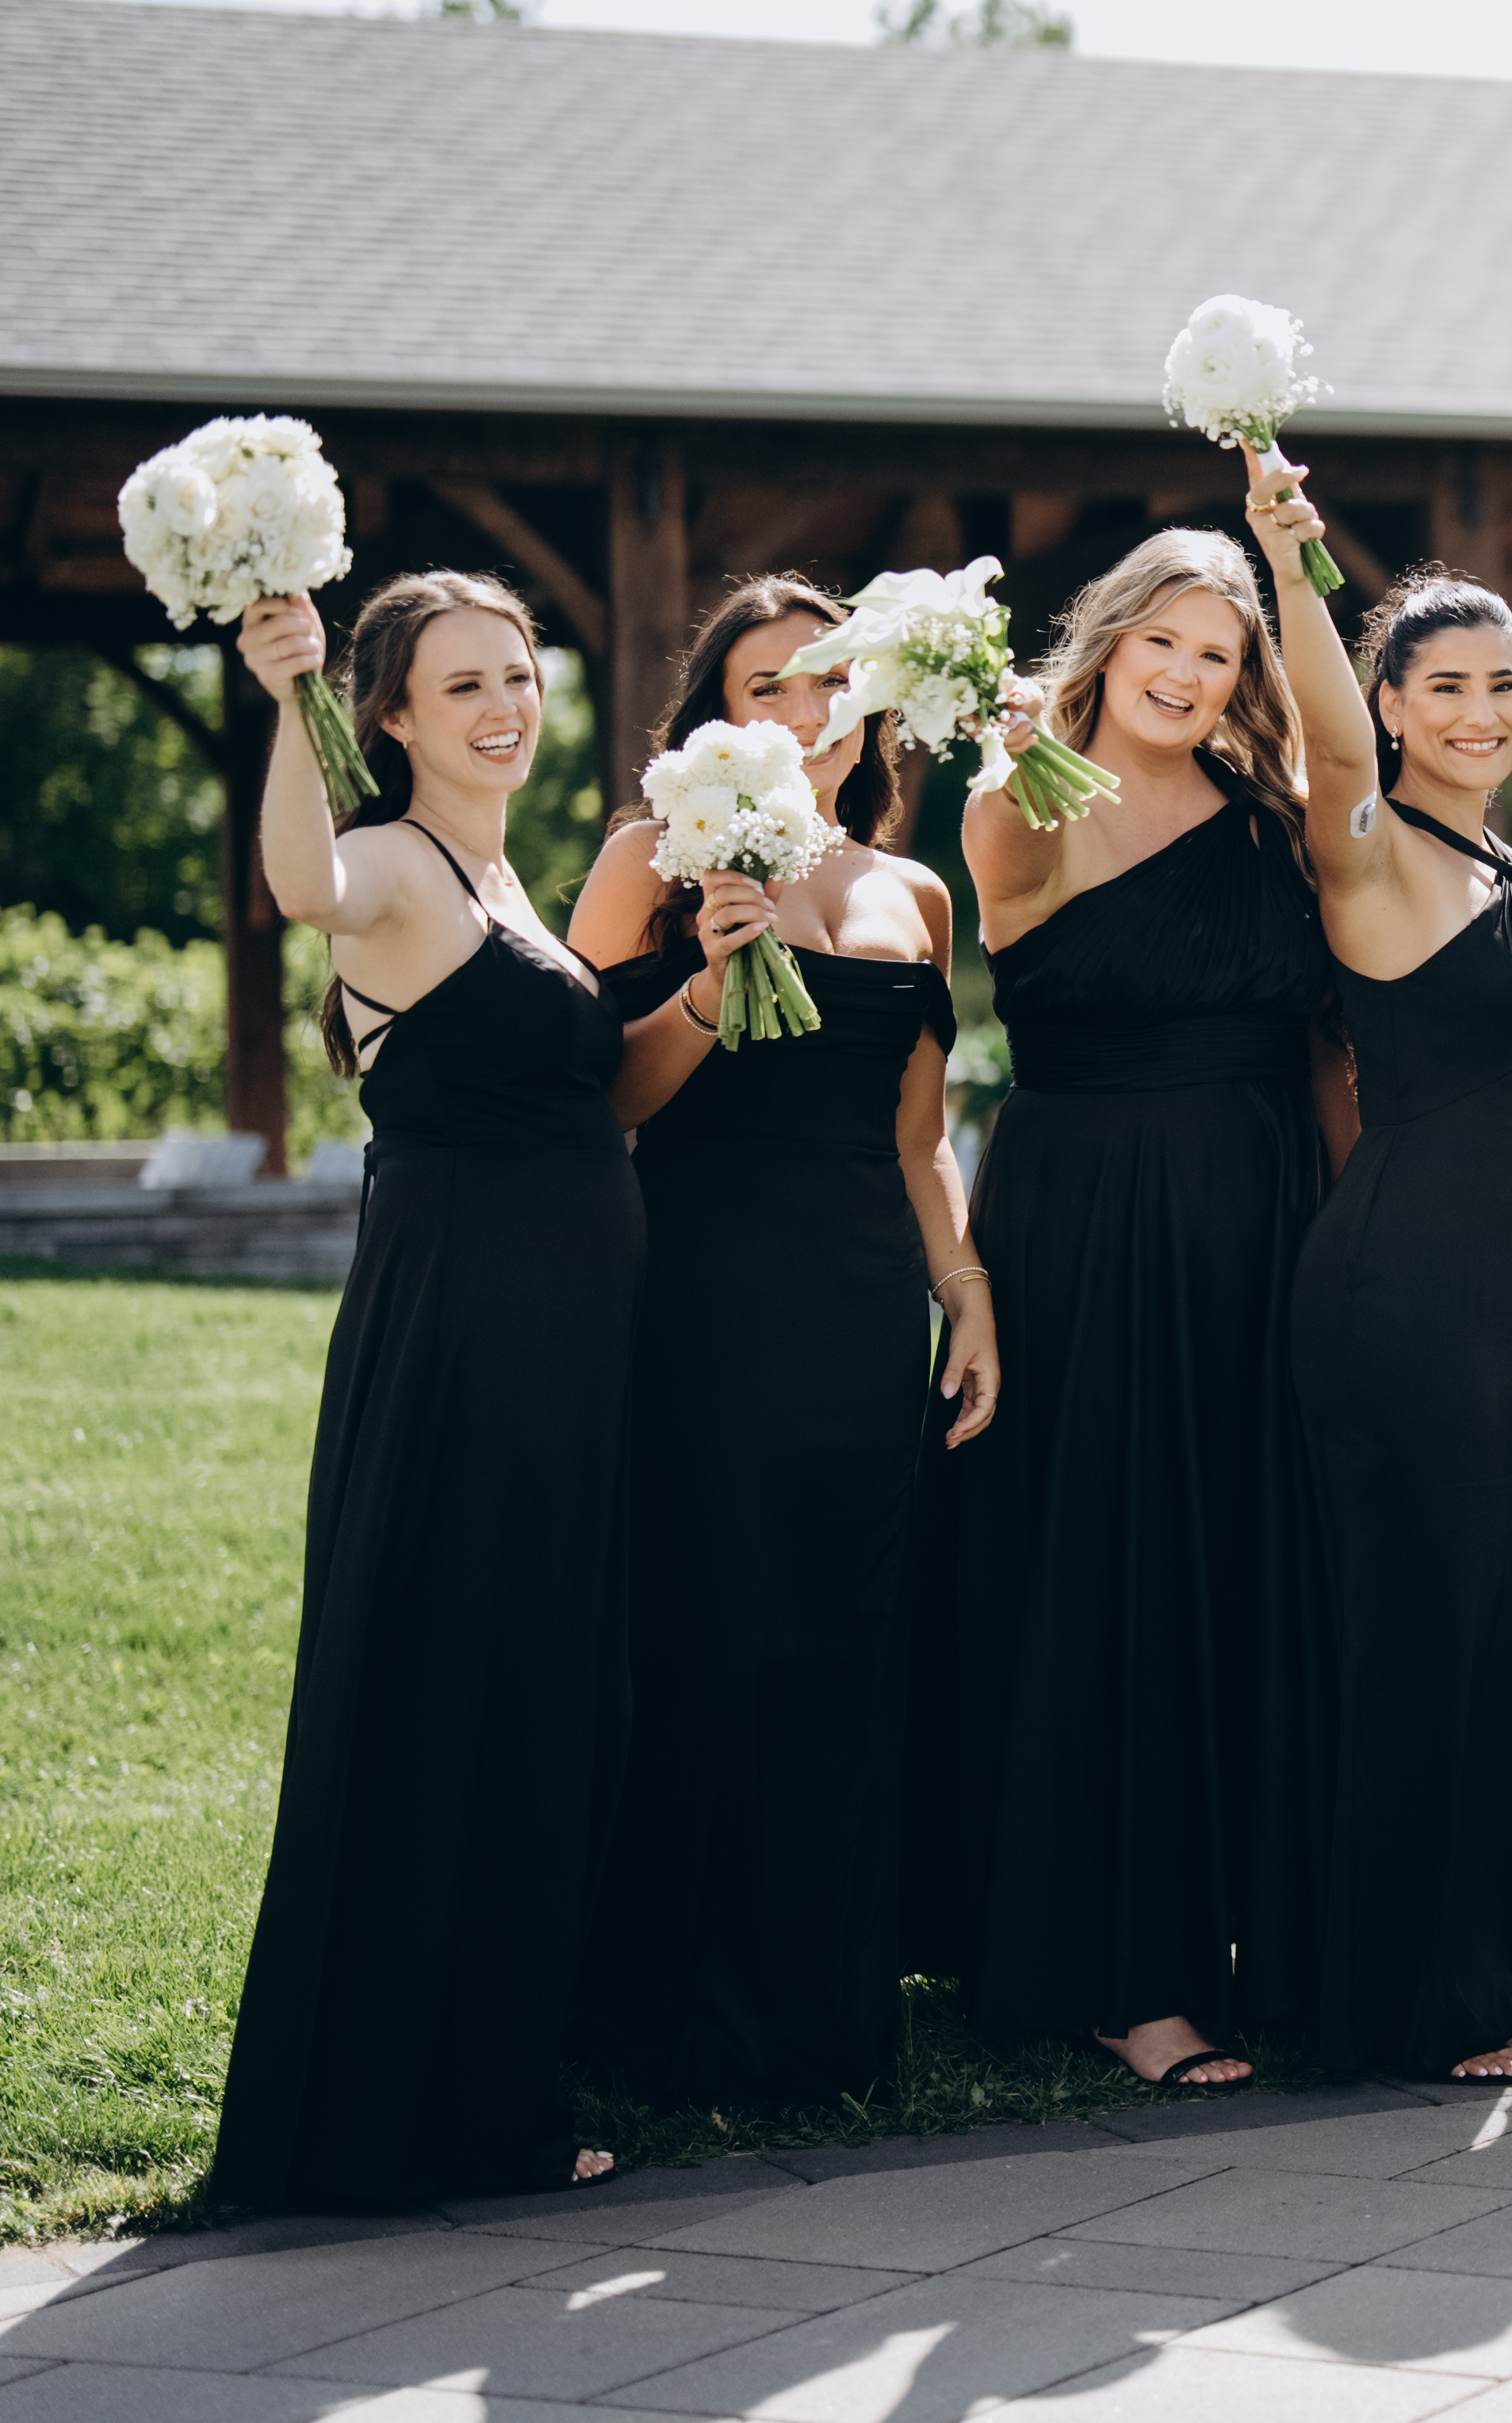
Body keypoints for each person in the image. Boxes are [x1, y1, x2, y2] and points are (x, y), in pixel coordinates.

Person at [211, 569, 634, 2205]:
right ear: (392, 714)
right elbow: (300, 884)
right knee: (447, 1684)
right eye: (464, 685)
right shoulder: (391, 860)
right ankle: (385, 2109)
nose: (505, 706)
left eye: (519, 674)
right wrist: (287, 698)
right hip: (466, 1336)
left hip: (560, 1349)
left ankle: (489, 2093)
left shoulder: (507, 874)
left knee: (526, 1700)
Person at [569, 576, 997, 2103]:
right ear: (715, 715)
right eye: (766, 685)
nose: (803, 711)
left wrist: (966, 1289)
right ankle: (668, 2016)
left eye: (827, 682)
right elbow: (589, 1098)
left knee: (841, 1636)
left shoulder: (914, 892)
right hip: (699, 1297)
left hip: (860, 1309)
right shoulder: (647, 859)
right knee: (709, 1631)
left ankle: (823, 2014)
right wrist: (703, 979)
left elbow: (919, 1133)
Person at [910, 528, 1326, 2093]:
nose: (1188, 675)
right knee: (1119, 1569)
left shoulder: (1269, 813)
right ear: (1108, 641)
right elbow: (1013, 864)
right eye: (1165, 641)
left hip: (1264, 1219)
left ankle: (1254, 1930)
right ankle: (1128, 1974)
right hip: (1096, 1223)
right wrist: (1009, 733)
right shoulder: (1019, 802)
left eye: (1219, 654)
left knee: (1239, 1565)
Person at [1242, 457, 1512, 2086]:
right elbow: (1323, 745)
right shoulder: (1372, 845)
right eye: (1444, 685)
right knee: (1417, 1638)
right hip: (1403, 1296)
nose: (1481, 711)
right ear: (1390, 704)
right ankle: (1400, 1999)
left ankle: (1476, 1973)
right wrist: (1288, 559)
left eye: (1503, 683)